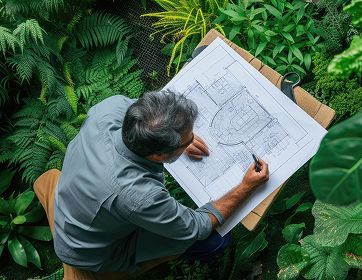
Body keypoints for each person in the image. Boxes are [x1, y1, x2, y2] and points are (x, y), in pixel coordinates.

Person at [48, 90, 269, 276]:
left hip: (72, 204)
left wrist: (180, 140)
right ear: (158, 155)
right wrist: (246, 186)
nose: (193, 140)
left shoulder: (110, 108)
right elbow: (196, 226)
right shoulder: (138, 195)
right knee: (215, 241)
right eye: (187, 141)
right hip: (88, 251)